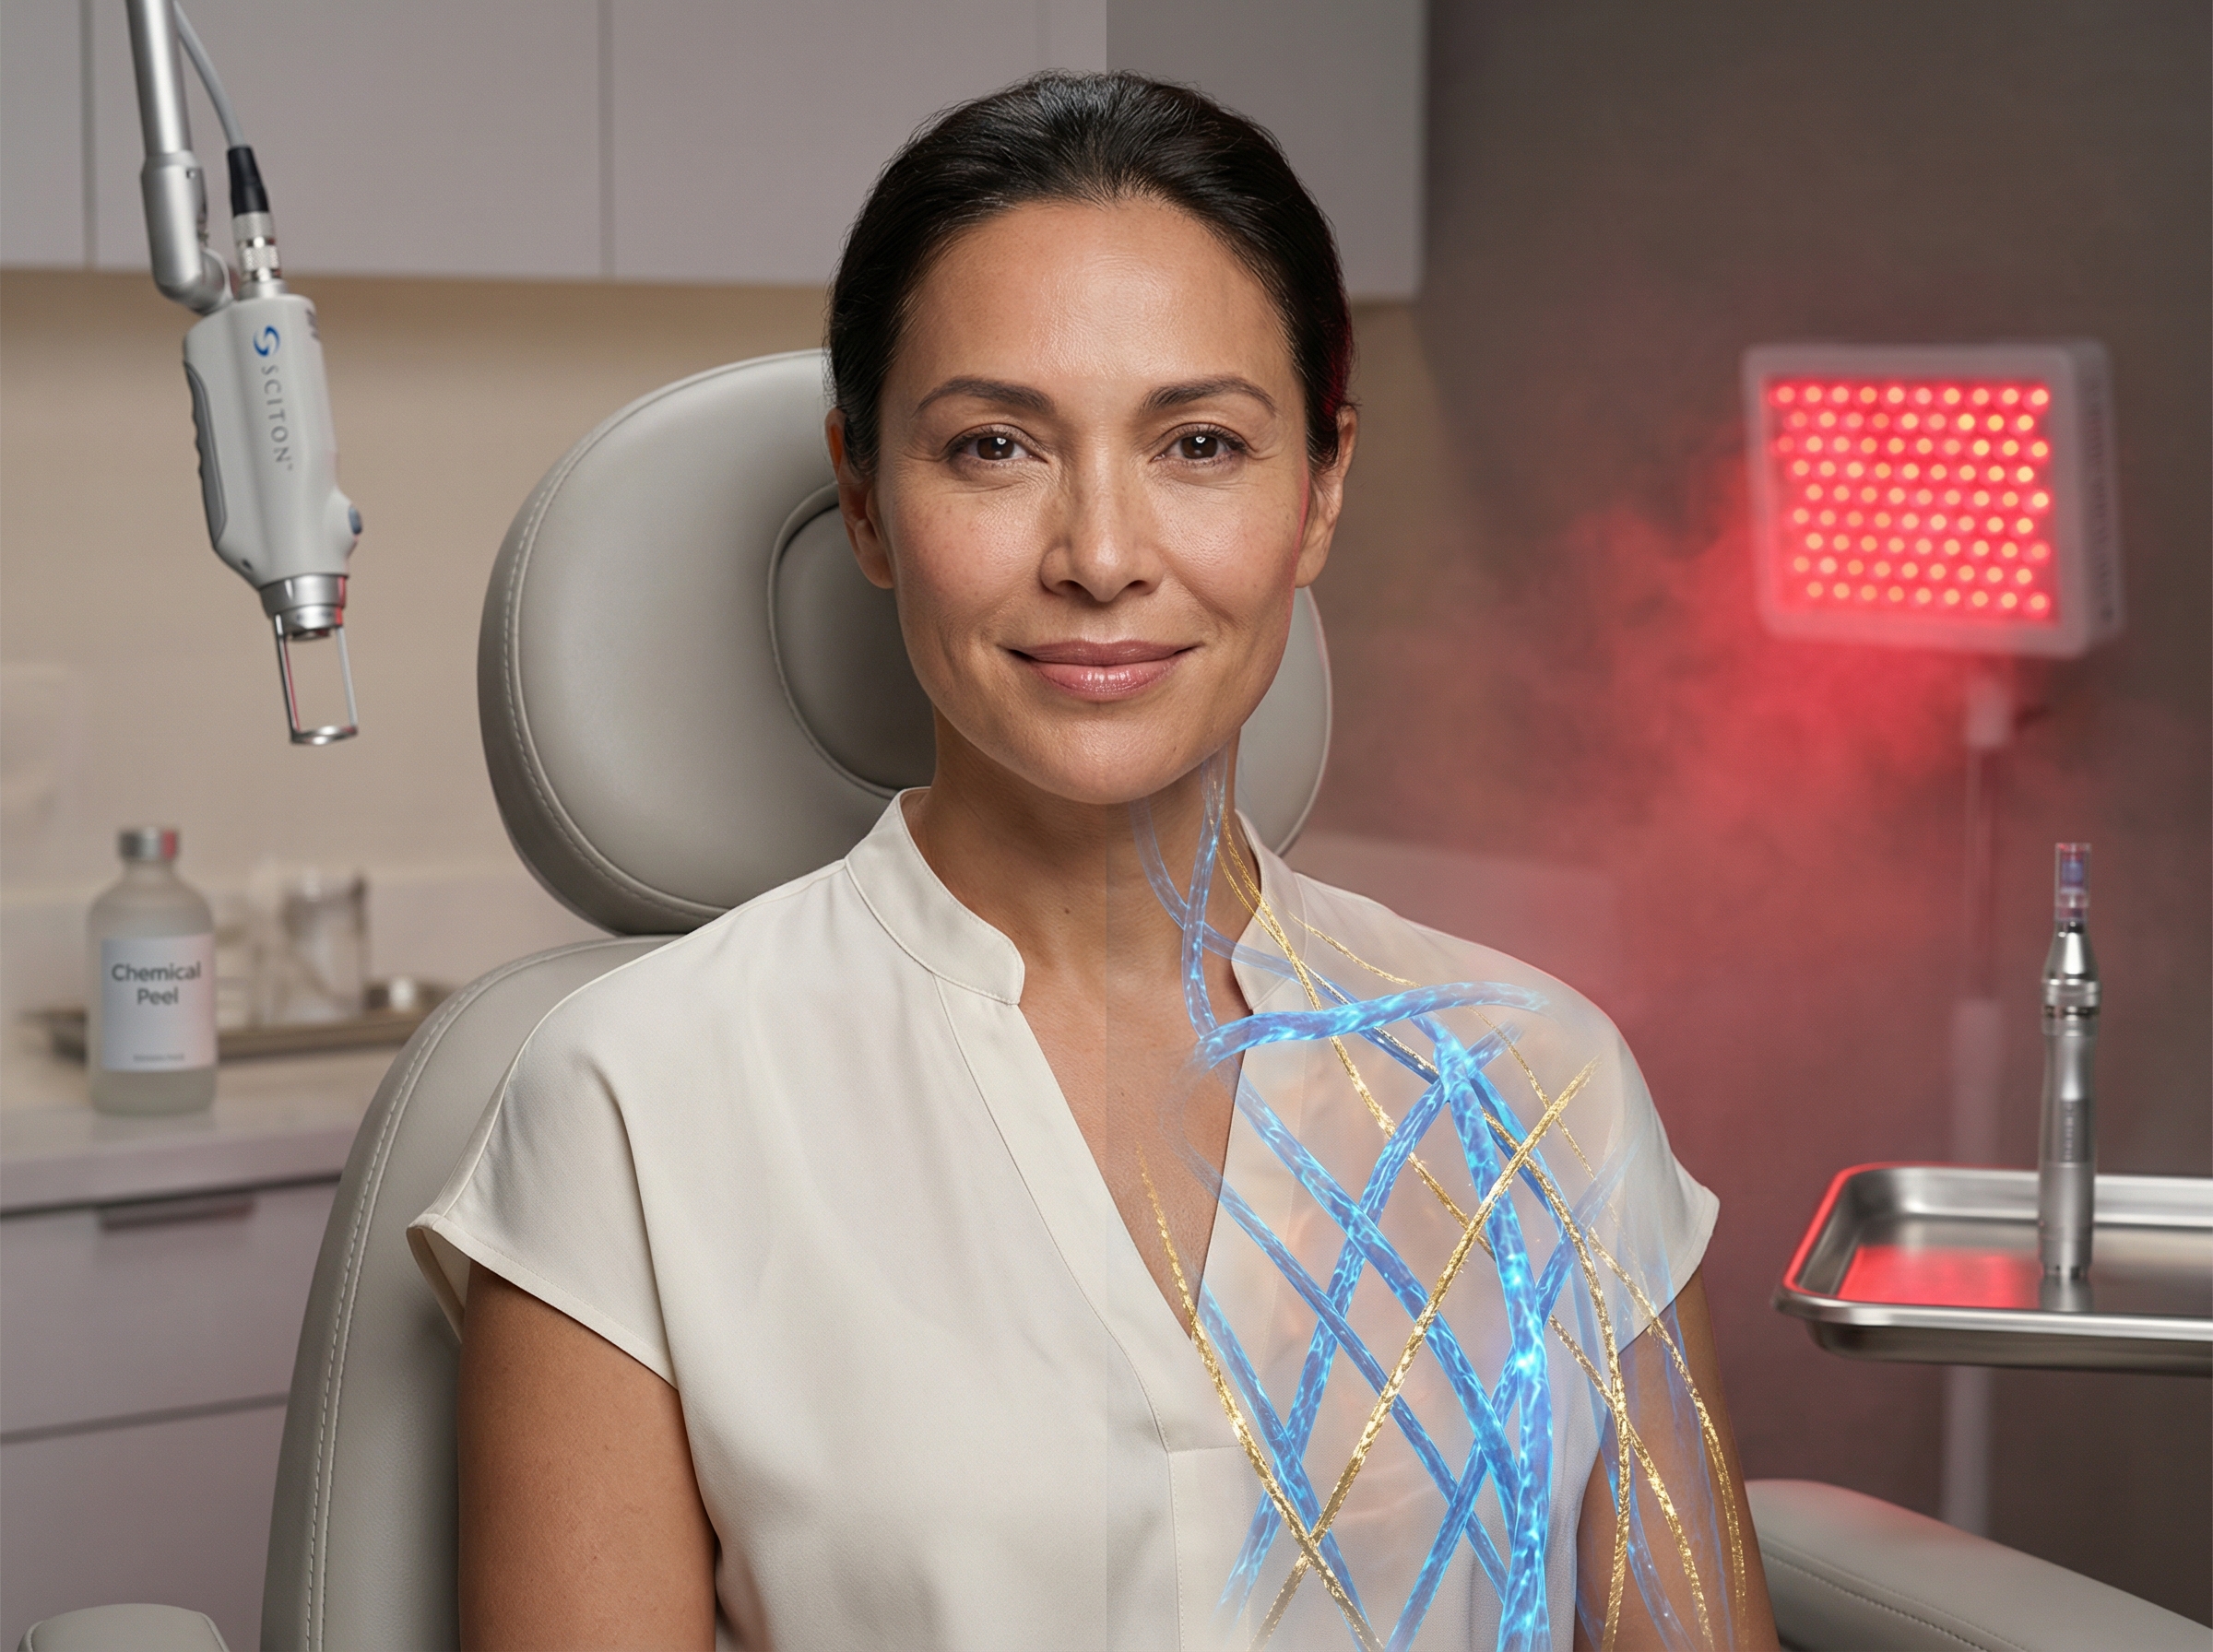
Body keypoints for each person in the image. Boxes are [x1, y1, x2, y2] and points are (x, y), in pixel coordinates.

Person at [411, 71, 1778, 1652]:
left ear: (1319, 491)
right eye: (995, 447)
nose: (1104, 554)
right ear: (864, 497)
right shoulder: (636, 1098)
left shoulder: (1542, 1083)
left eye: (1200, 443)